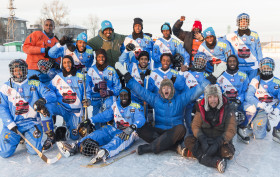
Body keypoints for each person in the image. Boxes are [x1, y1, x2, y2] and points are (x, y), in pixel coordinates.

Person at [114, 58, 227, 156]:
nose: (166, 89)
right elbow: (140, 90)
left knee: (181, 129)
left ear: (172, 89)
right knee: (141, 128)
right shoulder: (155, 99)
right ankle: (173, 147)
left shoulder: (180, 99)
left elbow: (198, 89)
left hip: (174, 133)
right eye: (164, 88)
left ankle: (149, 148)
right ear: (161, 90)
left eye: (168, 87)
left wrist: (214, 76)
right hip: (159, 132)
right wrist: (126, 75)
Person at [57, 87, 145, 164]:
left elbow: (140, 119)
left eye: (125, 95)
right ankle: (75, 146)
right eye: (121, 95)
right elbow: (104, 115)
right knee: (97, 133)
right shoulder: (116, 105)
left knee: (118, 139)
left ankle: (105, 152)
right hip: (114, 128)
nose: (123, 98)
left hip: (128, 132)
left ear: (129, 96)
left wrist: (132, 127)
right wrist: (90, 120)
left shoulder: (136, 106)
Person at [0, 59, 57, 157]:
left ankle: (26, 136)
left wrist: (43, 100)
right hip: (14, 124)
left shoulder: (34, 83)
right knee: (5, 153)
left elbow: (51, 94)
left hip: (31, 123)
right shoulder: (6, 87)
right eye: (15, 70)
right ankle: (18, 138)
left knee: (34, 151)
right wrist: (10, 124)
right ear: (12, 71)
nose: (17, 72)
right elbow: (2, 107)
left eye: (20, 69)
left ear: (25, 70)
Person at [41, 55, 92, 150]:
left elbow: (87, 92)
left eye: (69, 62)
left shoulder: (81, 76)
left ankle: (65, 127)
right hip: (60, 106)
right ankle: (50, 135)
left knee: (75, 136)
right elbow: (49, 91)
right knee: (45, 108)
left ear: (72, 63)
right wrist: (44, 98)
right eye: (64, 63)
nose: (67, 64)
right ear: (62, 65)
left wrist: (88, 100)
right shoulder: (58, 77)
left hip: (74, 111)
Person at [183, 84, 236, 173]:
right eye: (210, 97)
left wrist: (220, 141)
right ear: (207, 98)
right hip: (205, 139)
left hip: (220, 139)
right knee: (188, 140)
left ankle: (196, 154)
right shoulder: (201, 107)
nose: (213, 100)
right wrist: (201, 138)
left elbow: (231, 128)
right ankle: (216, 161)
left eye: (215, 97)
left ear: (219, 97)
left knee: (227, 151)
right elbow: (195, 125)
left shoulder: (227, 108)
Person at [239, 57, 280, 144]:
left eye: (268, 67)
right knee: (259, 137)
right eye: (264, 67)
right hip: (260, 108)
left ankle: (278, 129)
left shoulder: (277, 81)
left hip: (271, 107)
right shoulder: (255, 80)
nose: (266, 69)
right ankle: (248, 124)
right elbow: (248, 96)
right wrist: (261, 105)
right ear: (260, 68)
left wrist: (277, 109)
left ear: (272, 68)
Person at [224, 13, 263, 81]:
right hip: (240, 67)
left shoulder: (254, 34)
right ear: (238, 22)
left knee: (252, 86)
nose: (243, 23)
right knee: (241, 87)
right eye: (241, 21)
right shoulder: (232, 34)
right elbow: (219, 41)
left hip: (253, 67)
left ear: (248, 22)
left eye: (245, 21)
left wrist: (261, 65)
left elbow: (259, 50)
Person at [87, 49, 122, 120]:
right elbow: (87, 88)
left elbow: (118, 88)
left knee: (109, 117)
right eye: (99, 56)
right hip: (96, 99)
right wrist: (96, 88)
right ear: (96, 58)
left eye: (103, 56)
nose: (101, 59)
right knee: (96, 119)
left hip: (109, 99)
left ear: (105, 58)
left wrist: (109, 92)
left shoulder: (111, 70)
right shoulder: (91, 70)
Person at [23, 19, 60, 83]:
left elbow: (58, 55)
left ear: (54, 27)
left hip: (46, 72)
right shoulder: (36, 34)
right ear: (43, 26)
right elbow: (25, 48)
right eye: (46, 25)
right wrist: (42, 50)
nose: (48, 27)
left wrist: (57, 63)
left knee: (46, 91)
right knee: (33, 90)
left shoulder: (56, 41)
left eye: (50, 25)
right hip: (33, 69)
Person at [179, 52, 208, 134]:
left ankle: (198, 133)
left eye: (202, 61)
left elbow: (207, 90)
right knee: (187, 120)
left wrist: (200, 100)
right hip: (187, 101)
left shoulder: (206, 75)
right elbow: (181, 87)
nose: (199, 62)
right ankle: (188, 133)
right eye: (198, 60)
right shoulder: (187, 73)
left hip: (199, 102)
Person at [217, 55, 249, 127]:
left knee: (251, 109)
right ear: (227, 63)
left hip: (239, 102)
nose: (232, 63)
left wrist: (238, 100)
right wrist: (225, 100)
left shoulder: (243, 75)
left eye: (234, 61)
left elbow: (246, 91)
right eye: (230, 61)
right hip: (225, 102)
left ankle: (243, 127)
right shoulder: (221, 75)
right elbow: (218, 91)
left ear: (237, 63)